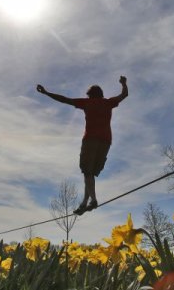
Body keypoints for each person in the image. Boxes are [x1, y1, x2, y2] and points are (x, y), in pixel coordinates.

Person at [36, 76, 128, 215]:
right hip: (106, 141)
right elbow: (124, 94)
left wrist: (46, 93)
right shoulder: (108, 102)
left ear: (90, 95)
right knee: (90, 174)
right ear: (101, 94)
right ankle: (84, 203)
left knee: (87, 171)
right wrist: (124, 83)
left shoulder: (87, 102)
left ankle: (93, 200)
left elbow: (64, 99)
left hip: (90, 140)